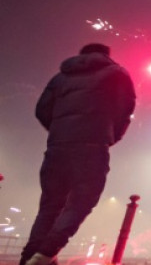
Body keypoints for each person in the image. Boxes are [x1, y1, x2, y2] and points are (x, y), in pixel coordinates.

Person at [20, 43, 136, 265]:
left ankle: (29, 257)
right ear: (105, 55)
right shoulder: (116, 74)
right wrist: (110, 136)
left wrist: (60, 131)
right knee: (82, 201)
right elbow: (125, 110)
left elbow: (41, 110)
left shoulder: (60, 77)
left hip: (57, 148)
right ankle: (45, 254)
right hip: (92, 146)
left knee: (49, 206)